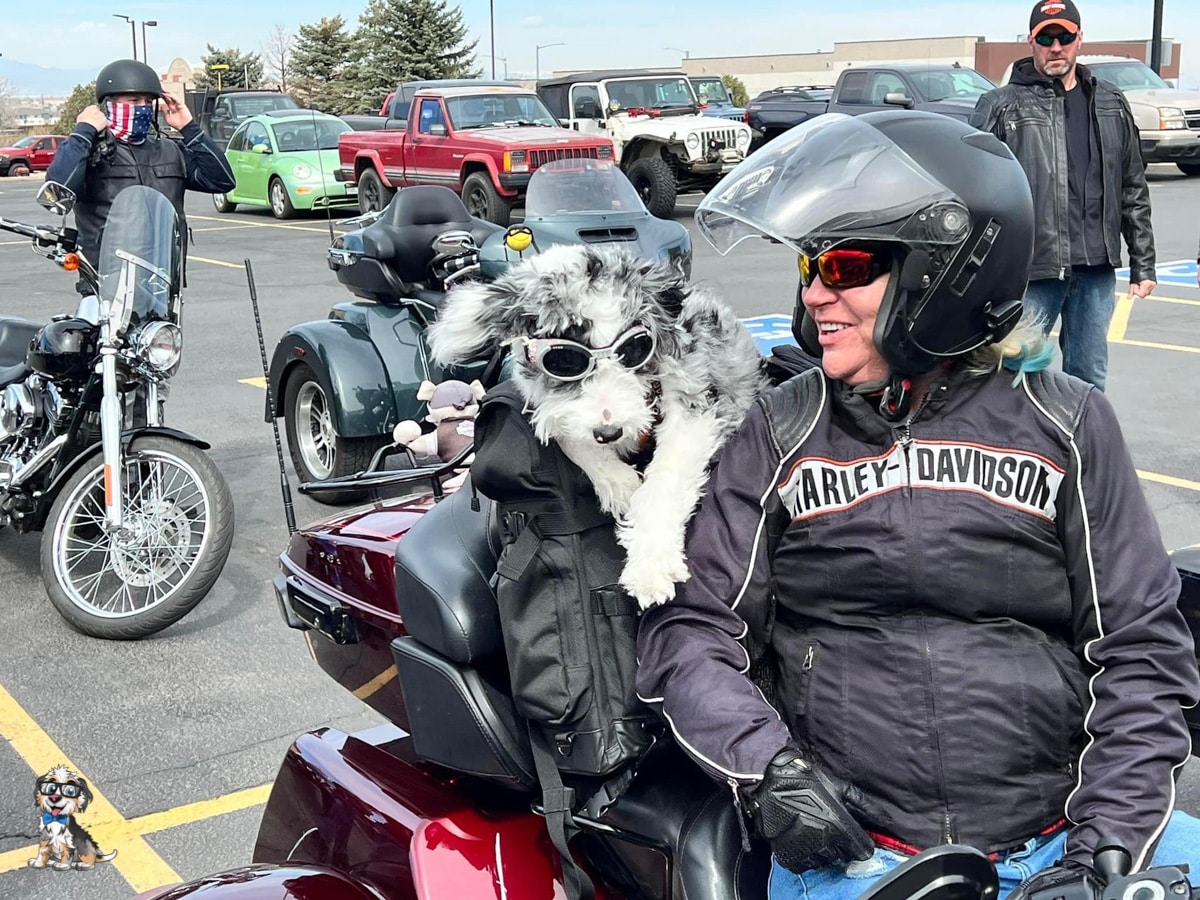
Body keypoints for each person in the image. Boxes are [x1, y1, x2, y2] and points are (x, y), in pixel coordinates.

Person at [634, 110, 1200, 900]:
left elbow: (1140, 645)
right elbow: (689, 630)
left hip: (1064, 831)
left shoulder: (1065, 422)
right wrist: (771, 773)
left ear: (949, 274)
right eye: (809, 267)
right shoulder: (780, 429)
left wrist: (1103, 848)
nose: (815, 293)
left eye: (847, 266)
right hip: (860, 849)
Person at [968, 0, 1155, 391]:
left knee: (1088, 381)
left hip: (1095, 268)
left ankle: (1082, 452)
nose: (1056, 47)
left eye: (1065, 37)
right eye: (1046, 38)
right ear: (1032, 42)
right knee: (1010, 379)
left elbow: (1131, 184)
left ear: (1079, 39)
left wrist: (1144, 262)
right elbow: (977, 192)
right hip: (1031, 270)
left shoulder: (1110, 102)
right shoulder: (1001, 105)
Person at [46, 59, 235, 288]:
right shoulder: (91, 153)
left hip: (162, 285)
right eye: (134, 101)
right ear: (108, 105)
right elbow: (58, 189)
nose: (143, 108)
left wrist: (189, 128)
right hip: (105, 283)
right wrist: (84, 132)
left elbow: (222, 180)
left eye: (148, 101)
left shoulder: (170, 151)